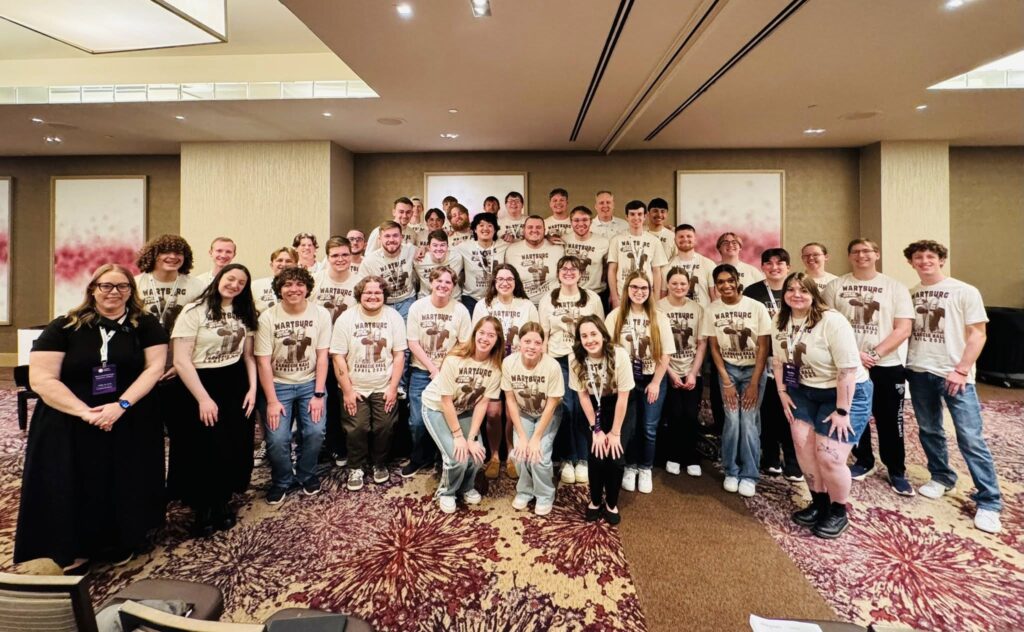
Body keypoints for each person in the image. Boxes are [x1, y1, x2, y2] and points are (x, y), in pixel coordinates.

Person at [16, 264, 168, 570]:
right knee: (73, 480)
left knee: (122, 480)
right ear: (93, 289)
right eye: (106, 286)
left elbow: (154, 368)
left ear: (131, 291)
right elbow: (42, 379)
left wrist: (120, 406)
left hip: (129, 416)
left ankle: (120, 541)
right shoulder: (64, 326)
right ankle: (72, 546)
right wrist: (84, 412)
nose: (114, 292)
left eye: (122, 286)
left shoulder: (146, 324)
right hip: (69, 418)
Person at [903, 240, 1002, 534]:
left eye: (930, 256)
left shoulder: (965, 291)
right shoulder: (912, 294)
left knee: (970, 437)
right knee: (929, 429)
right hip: (919, 371)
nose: (924, 261)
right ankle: (942, 476)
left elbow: (978, 334)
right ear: (911, 262)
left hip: (955, 374)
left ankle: (990, 501)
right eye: (918, 258)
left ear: (941, 260)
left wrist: (961, 369)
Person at [772, 272, 873, 539]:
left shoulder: (832, 321)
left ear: (813, 294)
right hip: (802, 392)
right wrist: (782, 391)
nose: (796, 294)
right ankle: (819, 503)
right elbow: (780, 361)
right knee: (804, 450)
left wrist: (842, 411)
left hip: (843, 394)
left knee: (829, 456)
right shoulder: (780, 320)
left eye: (803, 290)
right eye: (791, 289)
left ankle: (839, 510)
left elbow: (847, 371)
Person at [170, 263, 258, 537]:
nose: (234, 285)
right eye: (230, 279)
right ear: (219, 278)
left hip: (234, 381)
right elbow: (181, 360)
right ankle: (202, 506)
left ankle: (222, 501)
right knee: (202, 445)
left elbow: (249, 357)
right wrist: (203, 398)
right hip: (198, 383)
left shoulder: (245, 313)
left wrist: (253, 389)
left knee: (231, 442)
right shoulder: (194, 311)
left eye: (241, 282)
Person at [822, 239, 914, 495]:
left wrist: (873, 354)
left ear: (877, 254)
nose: (861, 255)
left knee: (890, 420)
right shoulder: (835, 286)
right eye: (856, 252)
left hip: (886, 365)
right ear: (849, 256)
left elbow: (903, 328)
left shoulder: (895, 287)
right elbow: (826, 324)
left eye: (867, 251)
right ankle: (864, 461)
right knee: (854, 416)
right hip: (849, 366)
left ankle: (896, 470)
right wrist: (854, 356)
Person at [255, 266, 332, 504]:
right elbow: (263, 363)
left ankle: (307, 473)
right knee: (277, 439)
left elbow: (322, 356)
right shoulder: (268, 317)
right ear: (279, 289)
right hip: (278, 385)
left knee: (316, 432)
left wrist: (319, 393)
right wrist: (271, 401)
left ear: (307, 288)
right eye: (287, 284)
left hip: (310, 382)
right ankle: (282, 480)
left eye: (299, 284)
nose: (294, 289)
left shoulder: (321, 314)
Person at [331, 275, 408, 491]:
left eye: (377, 292)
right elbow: (337, 356)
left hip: (384, 384)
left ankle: (379, 463)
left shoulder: (393, 317)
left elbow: (399, 355)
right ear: (359, 295)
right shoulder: (346, 318)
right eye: (368, 292)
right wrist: (347, 390)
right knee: (357, 427)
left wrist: (393, 388)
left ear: (384, 295)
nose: (373, 296)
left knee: (385, 426)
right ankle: (356, 466)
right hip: (354, 386)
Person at [421, 317, 505, 513]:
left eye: (491, 335)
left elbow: (482, 403)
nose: (485, 338)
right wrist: (459, 437)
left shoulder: (496, 367)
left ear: (498, 340)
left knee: (477, 454)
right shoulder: (455, 358)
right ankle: (447, 492)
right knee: (457, 456)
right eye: (482, 333)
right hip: (437, 407)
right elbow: (446, 400)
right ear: (474, 334)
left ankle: (467, 486)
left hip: (465, 409)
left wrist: (472, 437)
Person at [703, 264, 771, 497]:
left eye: (729, 280)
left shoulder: (756, 307)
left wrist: (753, 382)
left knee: (749, 420)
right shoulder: (712, 309)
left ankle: (749, 475)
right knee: (732, 420)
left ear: (737, 281)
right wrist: (726, 381)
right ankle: (731, 470)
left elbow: (763, 347)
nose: (726, 285)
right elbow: (713, 348)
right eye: (720, 282)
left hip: (754, 370)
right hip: (729, 370)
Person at [606, 271, 674, 494]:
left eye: (644, 288)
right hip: (625, 381)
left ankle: (645, 468)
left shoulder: (659, 317)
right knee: (630, 427)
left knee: (649, 427)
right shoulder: (615, 316)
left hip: (652, 379)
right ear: (626, 290)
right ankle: (630, 466)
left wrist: (655, 383)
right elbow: (608, 351)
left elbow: (665, 355)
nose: (639, 292)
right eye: (634, 287)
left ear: (650, 291)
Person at [539, 256, 605, 485]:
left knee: (585, 409)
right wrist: (545, 364)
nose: (568, 272)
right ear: (557, 273)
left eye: (573, 268)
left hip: (585, 360)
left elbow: (600, 332)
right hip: (559, 360)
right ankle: (568, 458)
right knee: (566, 408)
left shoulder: (592, 298)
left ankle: (584, 459)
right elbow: (544, 335)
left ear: (580, 273)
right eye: (564, 268)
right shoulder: (548, 299)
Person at [402, 267, 472, 478]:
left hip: (451, 372)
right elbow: (412, 342)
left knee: (447, 417)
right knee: (417, 421)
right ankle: (420, 457)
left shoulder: (460, 310)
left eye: (448, 282)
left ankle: (444, 457)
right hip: (422, 370)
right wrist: (433, 368)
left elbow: (464, 344)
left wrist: (445, 368)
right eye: (439, 281)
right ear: (431, 283)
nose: (443, 286)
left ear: (453, 286)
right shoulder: (417, 307)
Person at [743, 248, 803, 481]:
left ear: (788, 266)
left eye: (780, 263)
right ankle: (770, 456)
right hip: (764, 359)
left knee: (791, 411)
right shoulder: (753, 291)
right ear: (763, 267)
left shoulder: (797, 290)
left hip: (793, 361)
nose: (774, 267)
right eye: (769, 263)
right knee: (767, 410)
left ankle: (793, 459)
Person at [570, 315, 635, 525]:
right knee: (596, 455)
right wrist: (595, 430)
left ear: (603, 334)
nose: (590, 340)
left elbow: (624, 396)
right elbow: (582, 396)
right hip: (593, 408)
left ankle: (611, 503)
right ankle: (596, 500)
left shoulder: (619, 355)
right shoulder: (575, 359)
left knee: (615, 457)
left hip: (619, 405)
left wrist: (615, 433)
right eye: (584, 336)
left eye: (593, 334)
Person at [504, 323, 564, 516]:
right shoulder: (509, 363)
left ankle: (545, 494)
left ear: (542, 345)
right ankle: (525, 490)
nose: (531, 346)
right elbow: (511, 401)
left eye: (537, 342)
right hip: (523, 413)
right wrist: (522, 437)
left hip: (548, 413)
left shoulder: (552, 366)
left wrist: (536, 438)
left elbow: (552, 403)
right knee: (521, 453)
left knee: (539, 456)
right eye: (527, 341)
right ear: (519, 342)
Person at [312, 236, 361, 467]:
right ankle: (330, 445)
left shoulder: (359, 282)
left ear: (351, 255)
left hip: (347, 352)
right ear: (328, 257)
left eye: (344, 254)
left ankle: (348, 443)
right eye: (335, 255)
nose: (340, 259)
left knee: (346, 397)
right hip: (320, 350)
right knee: (326, 397)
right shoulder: (316, 281)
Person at [658, 267, 707, 476]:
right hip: (667, 370)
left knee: (690, 415)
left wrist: (693, 373)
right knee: (674, 414)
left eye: (683, 284)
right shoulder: (658, 308)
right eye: (675, 283)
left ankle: (691, 456)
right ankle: (673, 455)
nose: (679, 287)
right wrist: (671, 373)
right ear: (667, 285)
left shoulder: (697, 309)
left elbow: (701, 343)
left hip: (691, 371)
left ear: (689, 286)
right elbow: (656, 345)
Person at [134, 234, 207, 336]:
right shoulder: (135, 283)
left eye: (178, 253)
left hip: (182, 343)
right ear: (152, 255)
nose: (173, 256)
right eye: (165, 252)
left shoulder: (198, 286)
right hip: (143, 343)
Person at [607, 200, 667, 309]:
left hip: (646, 295)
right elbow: (612, 270)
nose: (636, 218)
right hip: (623, 296)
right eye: (632, 214)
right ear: (626, 217)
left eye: (639, 214)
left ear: (645, 216)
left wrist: (656, 298)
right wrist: (615, 297)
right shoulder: (617, 240)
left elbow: (657, 271)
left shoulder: (654, 241)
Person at [472, 264, 540, 356]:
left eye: (509, 279)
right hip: (490, 357)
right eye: (500, 279)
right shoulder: (482, 305)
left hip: (519, 359)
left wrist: (523, 347)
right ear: (494, 282)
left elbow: (536, 337)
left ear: (516, 282)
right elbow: (475, 337)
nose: (505, 283)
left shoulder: (528, 306)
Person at [359, 220, 418, 319]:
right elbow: (361, 289)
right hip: (382, 303)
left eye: (395, 235)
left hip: (407, 300)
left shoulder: (411, 250)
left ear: (401, 237)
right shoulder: (369, 261)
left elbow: (429, 250)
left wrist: (423, 249)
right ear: (379, 239)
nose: (391, 239)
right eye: (387, 236)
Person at [503, 215, 564, 305]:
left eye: (538, 227)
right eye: (530, 227)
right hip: (523, 304)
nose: (534, 230)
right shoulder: (511, 250)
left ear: (545, 230)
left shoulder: (558, 248)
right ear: (524, 230)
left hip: (552, 303)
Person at [455, 211, 506, 315]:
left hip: (496, 297)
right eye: (481, 225)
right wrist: (424, 248)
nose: (485, 229)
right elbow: (442, 251)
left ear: (495, 229)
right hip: (471, 298)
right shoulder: (464, 247)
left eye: (490, 225)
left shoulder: (505, 246)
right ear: (475, 229)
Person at [562, 205, 610, 308]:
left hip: (597, 293)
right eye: (576, 220)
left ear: (591, 222)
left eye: (585, 220)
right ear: (571, 222)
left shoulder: (603, 242)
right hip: (570, 293)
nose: (580, 223)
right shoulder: (564, 240)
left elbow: (608, 267)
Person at [662, 224, 716, 306]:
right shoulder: (666, 268)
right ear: (674, 240)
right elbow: (663, 298)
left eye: (689, 236)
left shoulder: (708, 264)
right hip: (676, 315)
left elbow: (714, 297)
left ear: (695, 239)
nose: (685, 239)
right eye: (681, 237)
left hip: (702, 315)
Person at [415, 229, 464, 301]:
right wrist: (422, 248)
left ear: (448, 246)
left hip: (453, 299)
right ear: (429, 247)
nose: (439, 248)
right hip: (426, 299)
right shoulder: (419, 260)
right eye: (435, 245)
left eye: (442, 245)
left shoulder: (457, 257)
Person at [251, 247, 298, 314]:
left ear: (296, 265)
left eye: (288, 261)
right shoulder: (255, 285)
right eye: (279, 260)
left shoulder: (302, 288)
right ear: (271, 265)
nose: (284, 264)